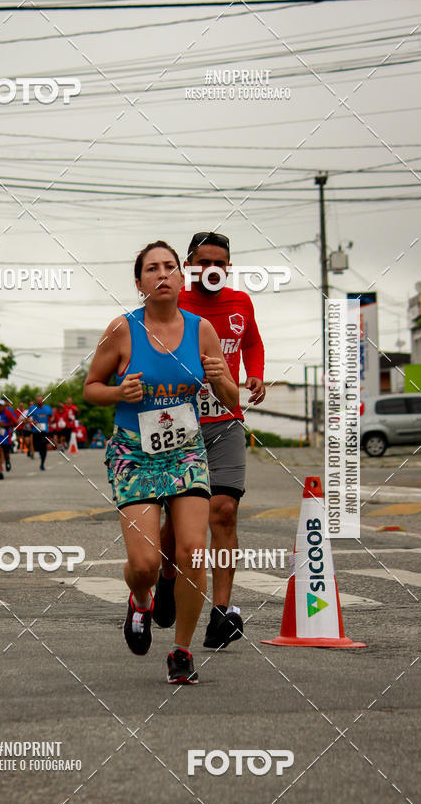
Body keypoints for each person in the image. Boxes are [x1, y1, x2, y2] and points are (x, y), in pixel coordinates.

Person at [84, 240, 238, 684]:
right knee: (147, 564)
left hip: (185, 450)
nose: (163, 274)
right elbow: (90, 387)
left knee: (192, 550)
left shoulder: (201, 330)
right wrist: (118, 393)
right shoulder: (122, 330)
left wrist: (220, 379)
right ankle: (140, 599)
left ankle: (182, 650)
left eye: (170, 267)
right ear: (140, 283)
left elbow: (230, 399)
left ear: (181, 275)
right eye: (153, 269)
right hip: (134, 452)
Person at [156, 231, 265, 649]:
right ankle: (167, 578)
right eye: (204, 262)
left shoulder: (241, 303)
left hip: (226, 421)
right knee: (175, 523)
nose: (213, 270)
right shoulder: (172, 303)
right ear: (189, 266)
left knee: (223, 511)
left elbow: (251, 341)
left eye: (220, 263)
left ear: (228, 267)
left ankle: (220, 612)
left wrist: (254, 372)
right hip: (177, 422)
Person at [27, 395, 53, 471]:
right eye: (38, 401)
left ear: (43, 401)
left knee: (43, 447)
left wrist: (51, 420)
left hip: (44, 431)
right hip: (35, 431)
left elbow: (52, 416)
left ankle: (42, 464)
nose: (39, 402)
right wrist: (31, 421)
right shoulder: (32, 408)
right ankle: (40, 453)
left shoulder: (48, 408)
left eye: (40, 400)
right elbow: (27, 418)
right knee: (36, 447)